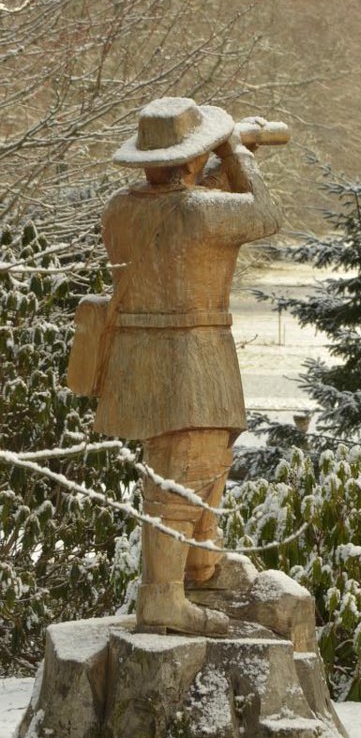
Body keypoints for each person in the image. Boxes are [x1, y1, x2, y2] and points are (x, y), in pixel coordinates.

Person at [93, 96, 281, 635]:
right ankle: (164, 597)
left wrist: (212, 163)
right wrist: (236, 152)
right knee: (186, 466)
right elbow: (264, 212)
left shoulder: (122, 206)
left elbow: (187, 201)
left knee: (204, 457)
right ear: (195, 158)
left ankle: (200, 560)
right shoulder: (198, 210)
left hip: (146, 354)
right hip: (191, 354)